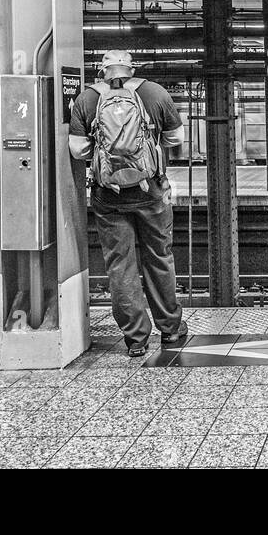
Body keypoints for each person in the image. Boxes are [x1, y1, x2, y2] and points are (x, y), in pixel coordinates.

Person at [70, 49, 186, 358]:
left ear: (102, 70)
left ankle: (136, 338)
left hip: (109, 196)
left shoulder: (88, 99)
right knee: (159, 257)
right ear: (132, 69)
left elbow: (78, 149)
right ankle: (171, 330)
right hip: (152, 191)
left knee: (120, 264)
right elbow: (176, 138)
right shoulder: (154, 92)